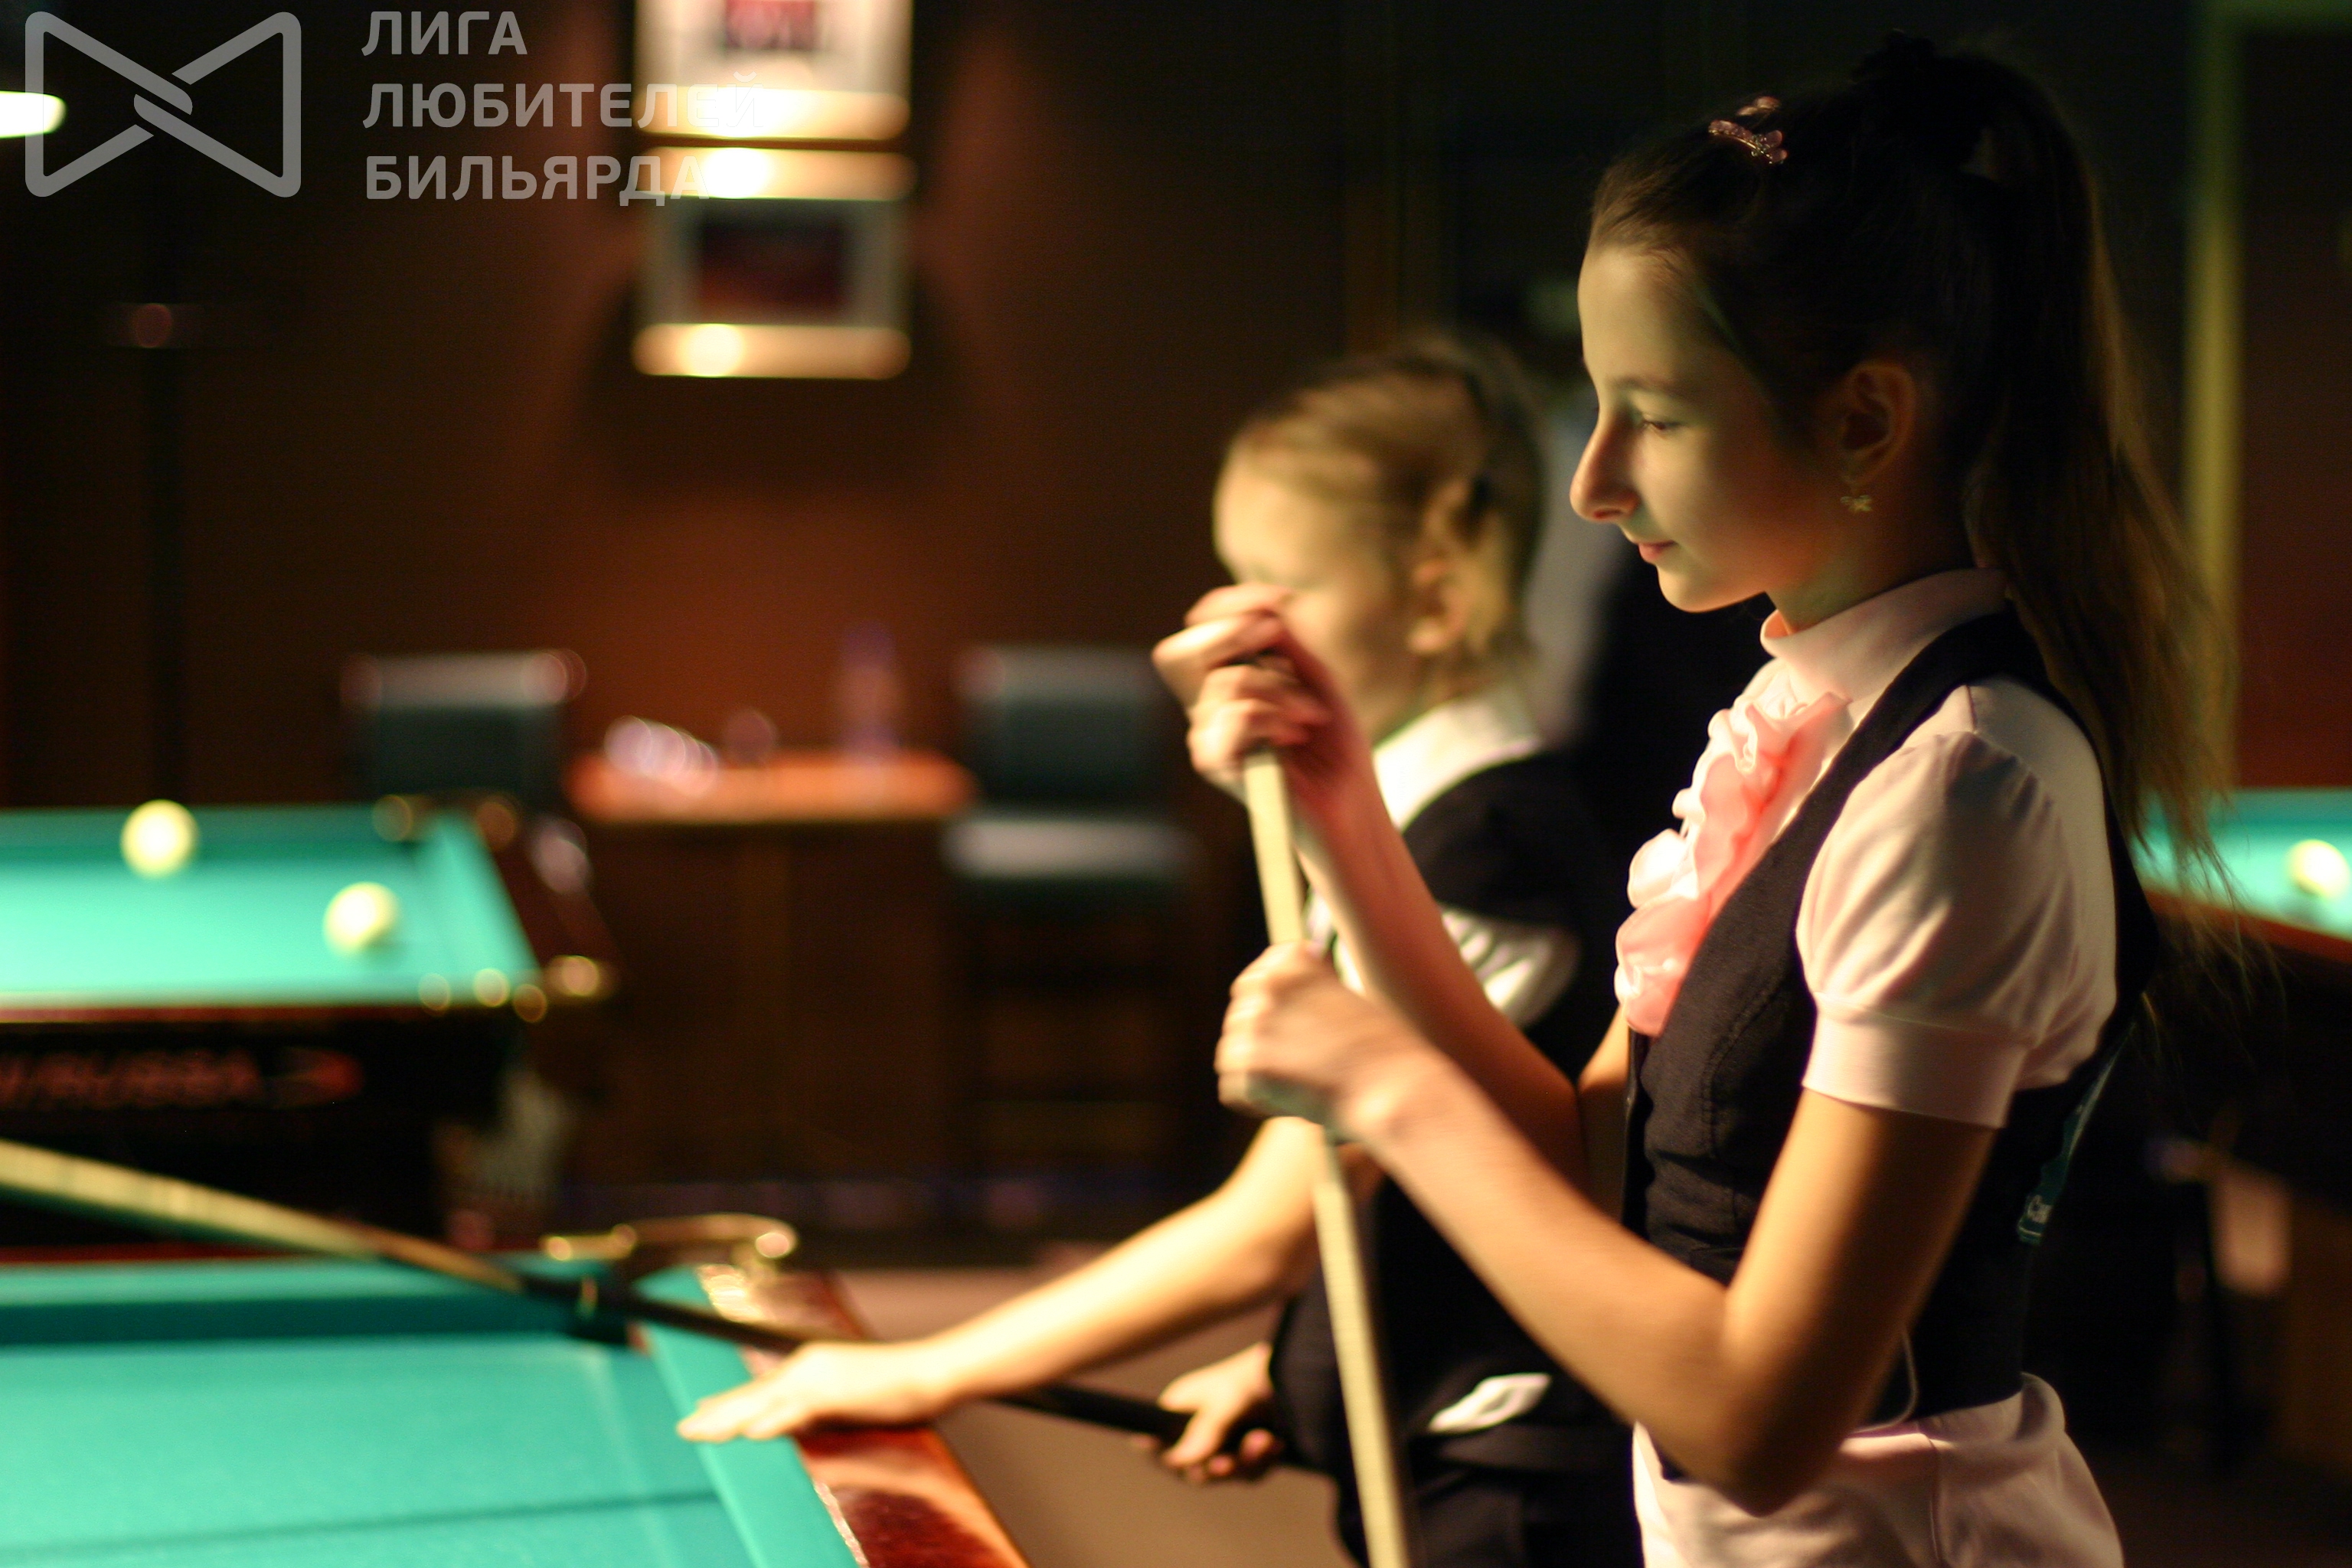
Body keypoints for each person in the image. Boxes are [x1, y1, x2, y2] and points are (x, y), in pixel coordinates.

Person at [1161, 37, 2220, 1568]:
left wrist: (1390, 1092)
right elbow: (1590, 1156)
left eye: (1652, 414)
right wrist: (1342, 807)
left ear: (1864, 422)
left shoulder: (1965, 782)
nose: (1592, 483)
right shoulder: (1803, 722)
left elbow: (1763, 1420)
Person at [681, 333, 1645, 1568]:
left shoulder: (1487, 851)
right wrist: (1296, 1367)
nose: (1231, 627)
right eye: (1233, 580)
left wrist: (924, 1369)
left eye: (1282, 587)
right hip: (1446, 1446)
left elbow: (1270, 1228)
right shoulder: (1414, 820)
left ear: (1437, 595)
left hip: (1514, 1482)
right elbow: (1418, 1205)